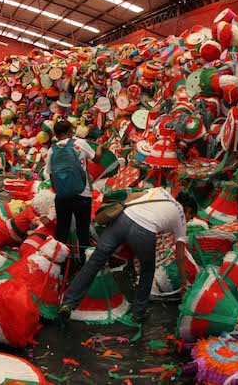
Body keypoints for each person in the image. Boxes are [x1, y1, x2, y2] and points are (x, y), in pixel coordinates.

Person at [58, 188, 197, 324]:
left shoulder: (160, 191)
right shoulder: (180, 215)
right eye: (190, 217)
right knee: (147, 270)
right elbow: (180, 254)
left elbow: (131, 197)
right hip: (144, 231)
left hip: (122, 219)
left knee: (95, 261)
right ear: (188, 210)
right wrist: (184, 281)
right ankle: (139, 313)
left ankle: (68, 303)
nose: (188, 220)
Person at [44, 119, 103, 264]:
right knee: (82, 232)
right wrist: (100, 147)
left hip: (62, 197)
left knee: (62, 232)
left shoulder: (52, 150)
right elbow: (96, 158)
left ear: (55, 134)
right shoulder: (80, 143)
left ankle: (60, 266)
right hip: (82, 195)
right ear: (71, 132)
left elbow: (49, 174)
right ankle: (83, 265)